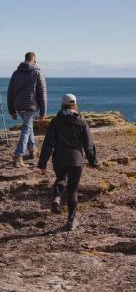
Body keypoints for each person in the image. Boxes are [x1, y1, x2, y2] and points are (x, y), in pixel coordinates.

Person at [37, 94, 98, 231]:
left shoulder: (55, 121)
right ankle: (71, 221)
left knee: (60, 178)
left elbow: (48, 144)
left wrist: (42, 164)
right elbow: (88, 145)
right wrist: (93, 162)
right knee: (73, 191)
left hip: (59, 159)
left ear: (62, 105)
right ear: (75, 104)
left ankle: (57, 197)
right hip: (76, 160)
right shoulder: (82, 122)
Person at [7, 52, 47, 167]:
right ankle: (18, 156)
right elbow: (42, 93)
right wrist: (43, 113)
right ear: (34, 60)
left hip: (18, 106)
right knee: (26, 129)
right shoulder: (37, 72)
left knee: (28, 127)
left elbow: (10, 92)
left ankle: (32, 148)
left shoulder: (16, 73)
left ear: (25, 59)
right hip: (30, 106)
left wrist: (11, 110)